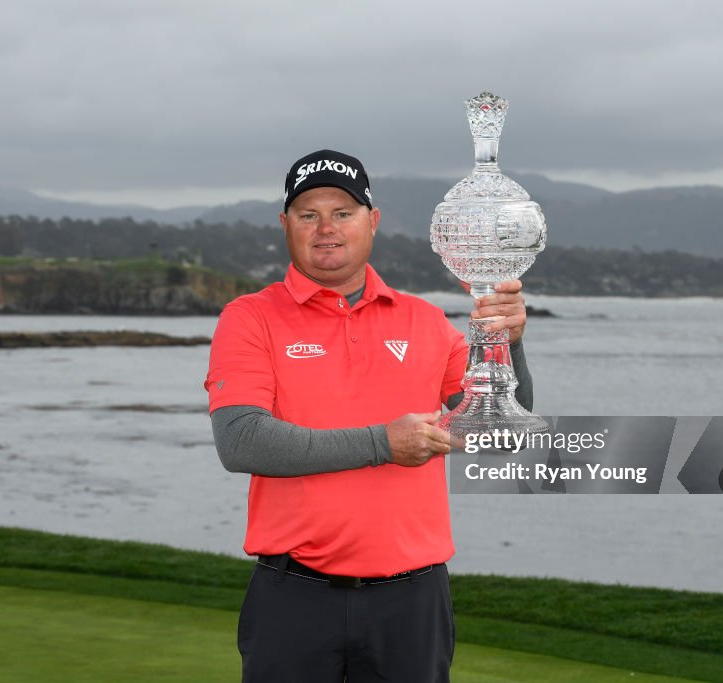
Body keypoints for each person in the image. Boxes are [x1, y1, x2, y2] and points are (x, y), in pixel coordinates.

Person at [204, 149, 533, 682]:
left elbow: (498, 432)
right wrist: (384, 443)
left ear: (372, 222)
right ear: (285, 224)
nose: (326, 228)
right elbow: (241, 441)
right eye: (308, 214)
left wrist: (504, 345)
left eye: (344, 212)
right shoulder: (250, 317)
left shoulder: (425, 321)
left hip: (412, 601)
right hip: (293, 597)